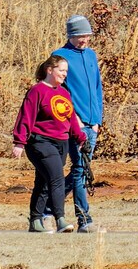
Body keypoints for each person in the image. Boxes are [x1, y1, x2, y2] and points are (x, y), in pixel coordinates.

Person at [12, 55, 84, 233]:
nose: (64, 74)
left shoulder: (63, 92)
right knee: (57, 178)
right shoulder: (37, 91)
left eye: (66, 71)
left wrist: (81, 137)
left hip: (61, 142)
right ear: (49, 70)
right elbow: (26, 117)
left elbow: (70, 118)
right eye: (61, 70)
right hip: (40, 142)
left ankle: (35, 222)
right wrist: (19, 142)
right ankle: (60, 219)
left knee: (44, 181)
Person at [53, 15, 105, 232]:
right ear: (70, 35)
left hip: (91, 123)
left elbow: (97, 87)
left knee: (79, 171)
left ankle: (47, 206)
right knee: (81, 169)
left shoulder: (91, 55)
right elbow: (59, 91)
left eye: (86, 35)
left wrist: (97, 120)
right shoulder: (60, 56)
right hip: (75, 123)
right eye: (79, 36)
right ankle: (84, 220)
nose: (84, 39)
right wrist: (73, 118)